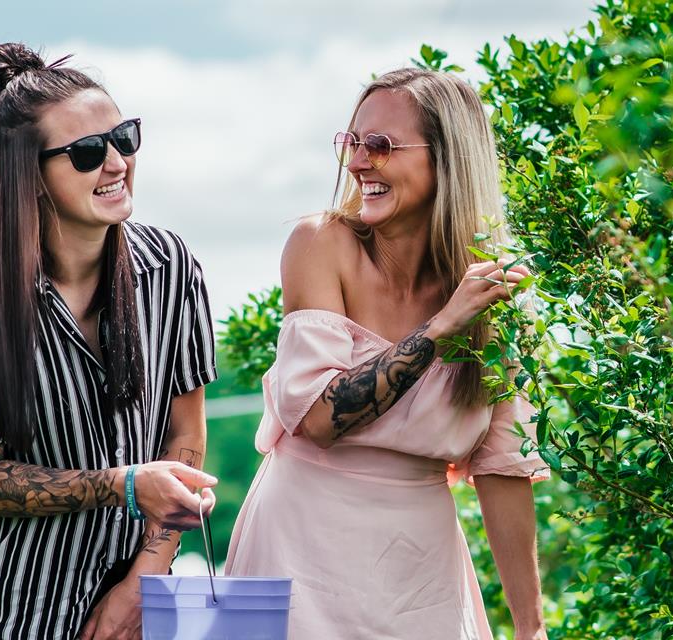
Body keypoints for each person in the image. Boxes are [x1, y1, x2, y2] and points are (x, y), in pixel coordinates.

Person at [224, 68, 551, 639]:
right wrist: (442, 326)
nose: (357, 162)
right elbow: (321, 417)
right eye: (351, 142)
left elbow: (503, 469)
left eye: (380, 145)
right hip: (299, 544)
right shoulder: (320, 244)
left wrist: (531, 627)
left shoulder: (495, 294)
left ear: (446, 160)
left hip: (420, 571)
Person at [0, 42, 218, 640]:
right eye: (87, 152)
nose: (115, 163)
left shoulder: (172, 268)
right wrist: (123, 484)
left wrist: (142, 584)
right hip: (8, 614)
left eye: (124, 138)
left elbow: (184, 436)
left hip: (130, 610)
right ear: (30, 177)